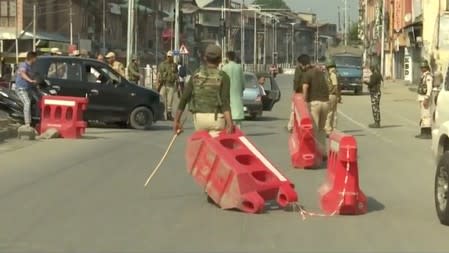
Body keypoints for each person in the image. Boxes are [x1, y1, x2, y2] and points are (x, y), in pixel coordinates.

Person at [173, 44, 234, 136]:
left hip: (199, 119)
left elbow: (184, 98)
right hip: (216, 119)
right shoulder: (224, 77)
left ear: (205, 58)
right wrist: (230, 123)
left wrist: (177, 120)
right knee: (215, 148)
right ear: (220, 60)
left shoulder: (196, 74)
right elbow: (225, 102)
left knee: (203, 146)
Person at [299, 54, 330, 157]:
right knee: (322, 129)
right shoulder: (321, 73)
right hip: (325, 102)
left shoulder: (307, 74)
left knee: (314, 129)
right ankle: (323, 152)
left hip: (314, 103)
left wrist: (304, 101)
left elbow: (305, 87)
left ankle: (315, 152)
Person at [222, 51, 245, 128]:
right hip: (237, 96)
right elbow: (243, 82)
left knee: (227, 117)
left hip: (226, 96)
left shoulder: (224, 68)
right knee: (238, 122)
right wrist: (241, 90)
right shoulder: (239, 67)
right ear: (234, 57)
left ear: (227, 58)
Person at [15, 51, 38, 127]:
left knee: (36, 100)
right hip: (21, 88)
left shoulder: (30, 67)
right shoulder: (23, 65)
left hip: (28, 89)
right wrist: (30, 80)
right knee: (27, 102)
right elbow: (22, 73)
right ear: (32, 58)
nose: (36, 60)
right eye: (35, 58)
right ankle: (27, 123)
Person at [287, 56, 306, 132]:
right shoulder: (308, 69)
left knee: (294, 110)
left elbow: (296, 81)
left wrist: (294, 92)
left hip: (298, 92)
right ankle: (299, 126)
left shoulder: (298, 69)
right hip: (304, 92)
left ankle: (291, 126)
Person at [157, 51, 178, 121]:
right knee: (162, 100)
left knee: (170, 101)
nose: (169, 58)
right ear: (166, 56)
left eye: (170, 57)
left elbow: (176, 74)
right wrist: (157, 84)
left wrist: (175, 77)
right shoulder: (162, 64)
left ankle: (169, 115)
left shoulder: (174, 65)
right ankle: (161, 115)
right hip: (163, 84)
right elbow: (159, 74)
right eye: (168, 56)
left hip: (171, 85)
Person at [416, 60, 433, 139]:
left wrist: (426, 98)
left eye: (423, 67)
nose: (422, 68)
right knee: (423, 115)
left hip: (425, 98)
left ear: (426, 68)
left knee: (426, 115)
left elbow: (429, 88)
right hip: (421, 98)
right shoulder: (423, 75)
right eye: (421, 67)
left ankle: (427, 133)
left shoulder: (428, 76)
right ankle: (423, 131)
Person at [324, 59, 341, 135]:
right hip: (333, 95)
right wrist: (338, 96)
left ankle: (329, 129)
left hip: (330, 94)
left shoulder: (329, 74)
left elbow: (335, 85)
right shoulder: (334, 73)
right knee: (333, 112)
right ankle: (332, 128)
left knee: (329, 112)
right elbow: (336, 86)